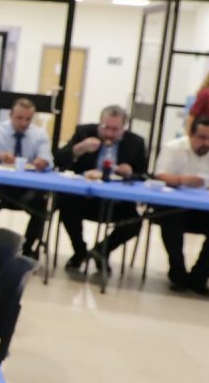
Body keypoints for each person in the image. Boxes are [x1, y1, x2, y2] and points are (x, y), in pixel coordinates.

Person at [53, 105, 148, 278]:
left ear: (124, 128)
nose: (109, 133)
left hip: (117, 202)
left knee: (135, 222)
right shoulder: (84, 132)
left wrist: (130, 173)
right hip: (84, 197)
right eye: (105, 127)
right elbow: (59, 159)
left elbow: (143, 175)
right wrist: (79, 148)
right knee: (66, 206)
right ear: (99, 123)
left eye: (115, 129)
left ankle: (101, 251)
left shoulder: (135, 143)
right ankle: (80, 251)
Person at [153, 118, 209, 296]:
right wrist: (181, 180)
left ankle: (200, 276)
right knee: (169, 219)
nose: (207, 143)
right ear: (190, 135)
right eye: (202, 137)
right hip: (176, 207)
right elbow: (160, 175)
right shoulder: (174, 147)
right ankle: (177, 273)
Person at [0, 97, 53, 256]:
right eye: (19, 118)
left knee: (41, 204)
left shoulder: (39, 135)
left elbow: (48, 160)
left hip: (26, 189)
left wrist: (43, 162)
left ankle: (27, 250)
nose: (23, 123)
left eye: (28, 119)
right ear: (10, 115)